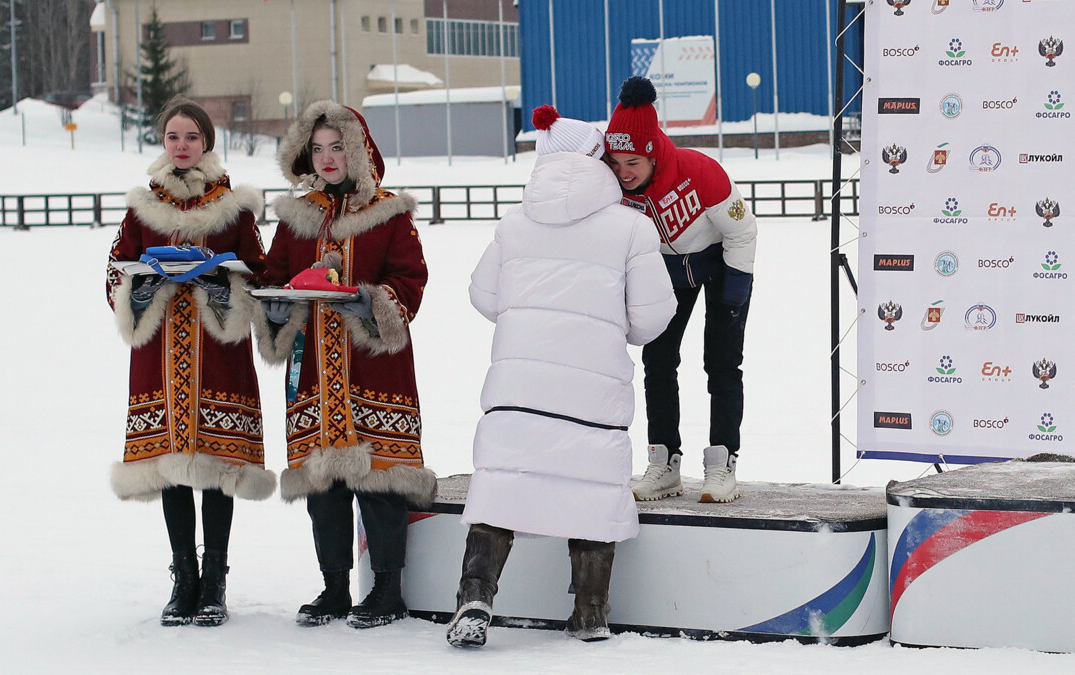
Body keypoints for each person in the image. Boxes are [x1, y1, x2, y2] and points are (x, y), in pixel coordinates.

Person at [445, 105, 678, 648]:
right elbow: (650, 318)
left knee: (501, 487)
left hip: (517, 389)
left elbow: (483, 295)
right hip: (592, 391)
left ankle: (475, 597)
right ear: (598, 158)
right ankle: (590, 611)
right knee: (593, 492)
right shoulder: (632, 227)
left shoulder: (515, 223)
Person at [256, 100, 435, 630]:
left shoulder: (390, 213)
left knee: (380, 482)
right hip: (313, 366)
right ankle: (334, 587)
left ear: (357, 150)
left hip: (374, 368)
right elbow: (274, 274)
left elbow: (412, 280)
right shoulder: (296, 217)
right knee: (323, 484)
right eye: (318, 149)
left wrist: (370, 302)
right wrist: (275, 304)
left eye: (338, 147)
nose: (328, 158)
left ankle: (386, 590)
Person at [105, 97, 275, 627]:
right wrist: (143, 282)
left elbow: (261, 271)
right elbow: (114, 274)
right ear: (164, 142)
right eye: (174, 137)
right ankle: (184, 578)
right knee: (172, 467)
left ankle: (215, 580)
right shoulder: (140, 207)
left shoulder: (235, 206)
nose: (182, 146)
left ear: (207, 143)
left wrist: (221, 280)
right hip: (160, 354)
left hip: (217, 351)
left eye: (192, 138)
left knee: (218, 466)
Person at [603, 76, 758, 504]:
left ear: (653, 154)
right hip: (668, 273)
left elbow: (743, 232)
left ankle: (721, 463)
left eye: (632, 162)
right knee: (657, 360)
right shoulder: (615, 188)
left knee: (722, 363)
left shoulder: (699, 171)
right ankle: (664, 462)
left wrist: (733, 296)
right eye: (615, 163)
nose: (623, 173)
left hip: (721, 261)